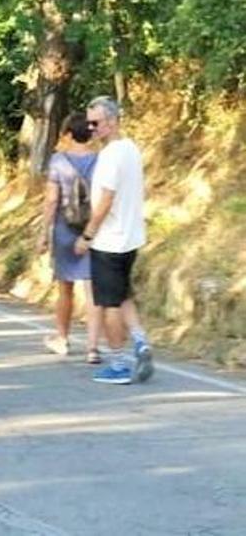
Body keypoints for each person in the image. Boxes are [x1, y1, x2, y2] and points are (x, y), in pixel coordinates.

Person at [78, 97, 154, 386]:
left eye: (95, 123)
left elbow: (106, 200)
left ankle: (119, 364)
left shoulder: (110, 156)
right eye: (89, 122)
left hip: (109, 241)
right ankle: (140, 341)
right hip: (131, 236)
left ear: (112, 121)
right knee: (122, 294)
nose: (91, 128)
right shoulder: (131, 149)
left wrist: (88, 235)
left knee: (109, 303)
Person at [37, 112, 102, 362]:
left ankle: (62, 339)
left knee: (65, 288)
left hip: (65, 228)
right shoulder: (100, 160)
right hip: (92, 230)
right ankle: (93, 348)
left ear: (67, 133)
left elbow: (52, 200)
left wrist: (44, 233)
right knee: (92, 289)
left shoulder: (58, 161)